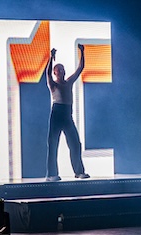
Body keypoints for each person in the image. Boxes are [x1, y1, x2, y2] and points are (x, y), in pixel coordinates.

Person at [45, 44, 89, 181]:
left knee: (75, 143)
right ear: (55, 72)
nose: (62, 71)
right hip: (57, 113)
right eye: (59, 70)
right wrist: (51, 58)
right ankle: (51, 174)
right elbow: (47, 73)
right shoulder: (53, 84)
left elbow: (80, 68)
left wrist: (82, 52)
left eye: (63, 69)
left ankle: (79, 171)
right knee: (53, 143)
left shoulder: (69, 82)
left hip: (67, 114)